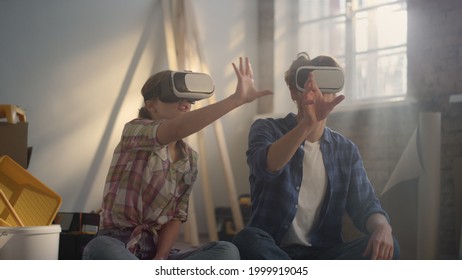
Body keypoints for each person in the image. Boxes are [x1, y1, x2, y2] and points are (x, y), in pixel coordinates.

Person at [83, 57, 272, 260]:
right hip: (117, 244)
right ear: (151, 105)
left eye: (189, 99)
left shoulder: (189, 158)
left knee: (226, 251)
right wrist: (236, 99)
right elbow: (175, 130)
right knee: (99, 247)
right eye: (174, 97)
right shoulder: (134, 131)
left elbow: (176, 216)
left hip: (155, 251)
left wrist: (161, 259)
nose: (185, 103)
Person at [232, 52, 400, 260]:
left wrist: (383, 227)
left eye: (326, 85)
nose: (318, 93)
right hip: (274, 249)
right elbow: (267, 166)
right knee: (247, 240)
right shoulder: (266, 128)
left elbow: (365, 205)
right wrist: (307, 124)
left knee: (388, 247)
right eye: (309, 85)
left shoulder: (346, 151)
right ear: (294, 92)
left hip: (325, 254)